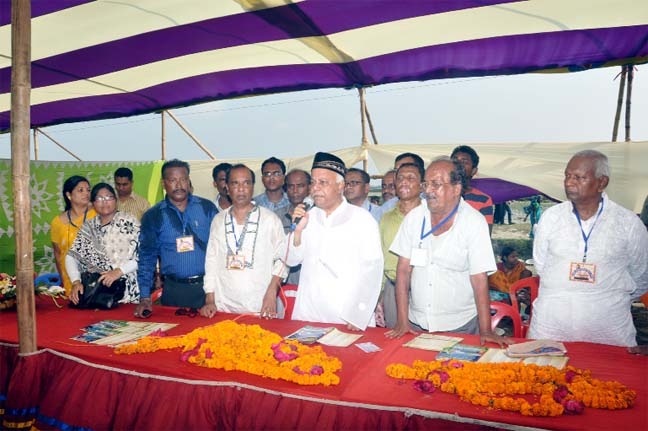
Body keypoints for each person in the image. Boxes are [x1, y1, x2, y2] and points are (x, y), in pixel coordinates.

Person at [528, 150, 648, 347]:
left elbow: (641, 276)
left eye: (579, 177)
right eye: (567, 175)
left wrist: (600, 297)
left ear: (602, 182)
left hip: (608, 332)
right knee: (542, 375)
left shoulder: (628, 223)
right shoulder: (551, 217)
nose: (569, 182)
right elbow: (541, 265)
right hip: (550, 328)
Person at [386, 157, 509, 346]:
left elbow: (479, 279)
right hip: (416, 323)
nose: (428, 190)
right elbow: (403, 270)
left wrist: (485, 330)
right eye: (426, 184)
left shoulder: (473, 222)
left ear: (456, 188)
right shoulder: (414, 218)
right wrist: (402, 321)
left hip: (460, 325)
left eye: (436, 184)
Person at [287, 152, 383, 331]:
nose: (315, 188)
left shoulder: (362, 219)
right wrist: (298, 231)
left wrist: (358, 314)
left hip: (346, 316)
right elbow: (291, 260)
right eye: (313, 182)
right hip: (309, 313)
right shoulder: (308, 217)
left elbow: (372, 271)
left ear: (340, 186)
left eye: (323, 182)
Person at [200, 164, 288, 318]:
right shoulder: (218, 220)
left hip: (260, 305)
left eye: (246, 183)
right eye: (235, 183)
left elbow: (283, 259)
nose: (241, 189)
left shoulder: (270, 219)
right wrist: (210, 298)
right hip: (223, 307)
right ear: (227, 187)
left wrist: (272, 291)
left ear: (253, 187)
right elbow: (211, 260)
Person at [134, 159, 217, 318]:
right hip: (174, 290)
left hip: (208, 290)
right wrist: (145, 296)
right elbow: (147, 257)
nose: (179, 185)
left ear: (188, 180)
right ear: (164, 183)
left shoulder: (207, 208)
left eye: (183, 179)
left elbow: (221, 248)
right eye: (173, 180)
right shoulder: (154, 215)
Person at [67, 183, 140, 305]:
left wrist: (118, 271)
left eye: (109, 197)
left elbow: (144, 254)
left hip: (127, 292)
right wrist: (76, 281)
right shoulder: (89, 227)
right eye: (99, 198)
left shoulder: (129, 222)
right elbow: (72, 256)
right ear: (93, 203)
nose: (104, 202)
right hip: (97, 293)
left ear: (115, 200)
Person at [378, 162, 423, 328]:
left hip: (423, 290)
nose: (404, 182)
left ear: (422, 185)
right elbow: (381, 258)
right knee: (396, 340)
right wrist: (381, 295)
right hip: (392, 288)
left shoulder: (431, 217)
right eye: (400, 178)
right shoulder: (386, 218)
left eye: (411, 178)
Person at [50, 175, 97, 295]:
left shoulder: (98, 213)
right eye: (80, 190)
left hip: (96, 279)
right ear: (69, 195)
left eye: (88, 190)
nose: (86, 193)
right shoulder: (57, 222)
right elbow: (58, 253)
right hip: (71, 281)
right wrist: (64, 281)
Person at [274, 168, 311, 284]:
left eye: (300, 186)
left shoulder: (316, 217)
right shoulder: (276, 217)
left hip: (308, 286)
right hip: (282, 288)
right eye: (290, 186)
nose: (295, 190)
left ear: (309, 188)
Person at [451, 145, 494, 232]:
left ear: (474, 171)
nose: (458, 164)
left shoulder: (484, 200)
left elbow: (484, 236)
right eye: (455, 160)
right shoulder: (435, 192)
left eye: (464, 162)